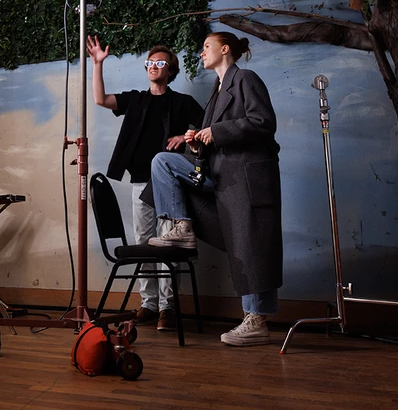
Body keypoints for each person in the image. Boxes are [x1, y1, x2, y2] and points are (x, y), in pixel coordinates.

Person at [147, 31, 283, 347]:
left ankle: (256, 320)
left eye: (207, 46)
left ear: (225, 49)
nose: (201, 52)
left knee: (251, 245)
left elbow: (263, 122)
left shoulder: (246, 79)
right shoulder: (216, 90)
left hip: (245, 179)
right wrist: (196, 143)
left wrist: (215, 132)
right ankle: (182, 226)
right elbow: (210, 142)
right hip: (220, 175)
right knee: (163, 162)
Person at [87, 35, 204, 332]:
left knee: (167, 244)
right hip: (140, 181)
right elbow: (100, 100)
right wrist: (98, 65)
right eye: (150, 62)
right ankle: (149, 304)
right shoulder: (136, 99)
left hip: (170, 185)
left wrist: (185, 137)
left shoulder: (183, 102)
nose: (153, 66)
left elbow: (205, 129)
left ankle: (168, 307)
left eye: (160, 62)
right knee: (143, 241)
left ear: (171, 69)